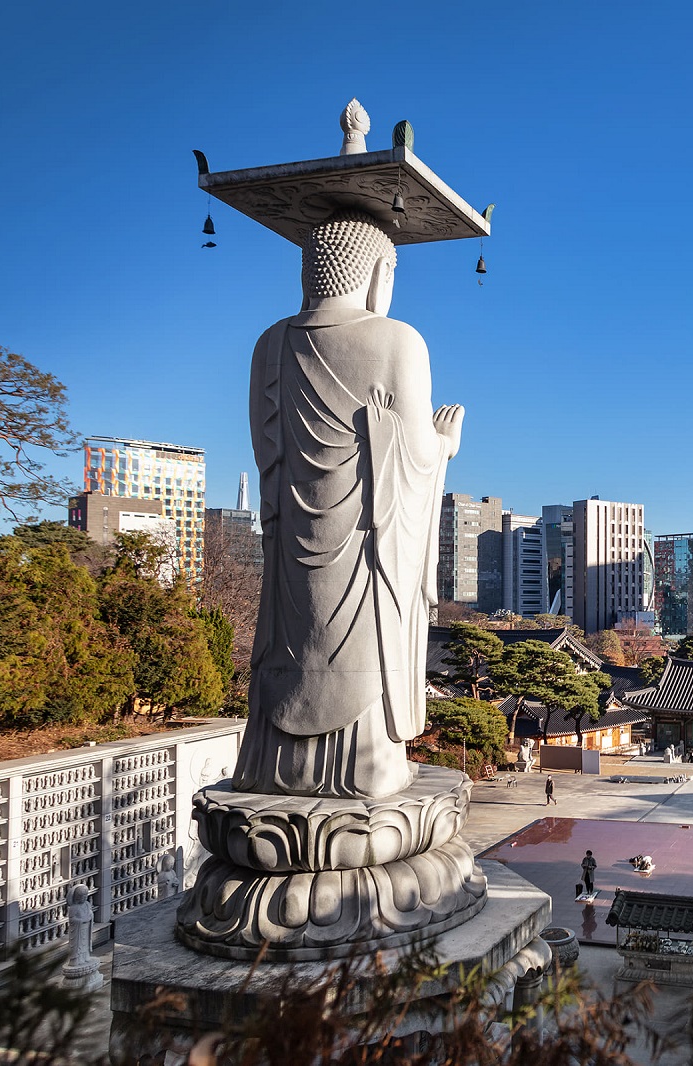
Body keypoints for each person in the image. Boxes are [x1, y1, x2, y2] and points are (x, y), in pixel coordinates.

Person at [231, 208, 464, 799]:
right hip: (364, 554)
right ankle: (369, 766)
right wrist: (443, 448)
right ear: (379, 274)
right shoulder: (397, 341)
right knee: (372, 651)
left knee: (290, 651)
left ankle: (275, 764)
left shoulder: (269, 346)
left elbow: (268, 456)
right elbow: (411, 456)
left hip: (290, 563)